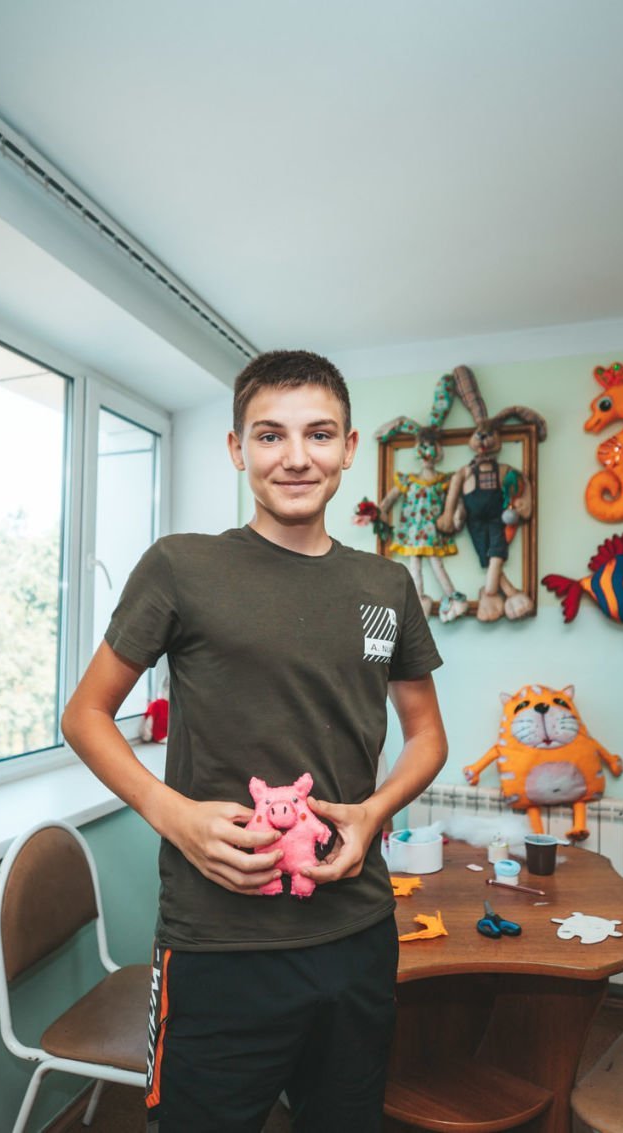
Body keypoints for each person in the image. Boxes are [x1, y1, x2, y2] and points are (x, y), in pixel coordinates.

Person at [61, 349, 448, 1133]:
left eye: (319, 434)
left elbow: (428, 737)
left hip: (356, 934)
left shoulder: (387, 586)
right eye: (270, 435)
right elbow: (85, 715)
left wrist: (373, 813)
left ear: (348, 447)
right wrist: (175, 815)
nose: (295, 457)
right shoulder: (182, 567)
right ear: (238, 449)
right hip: (218, 943)